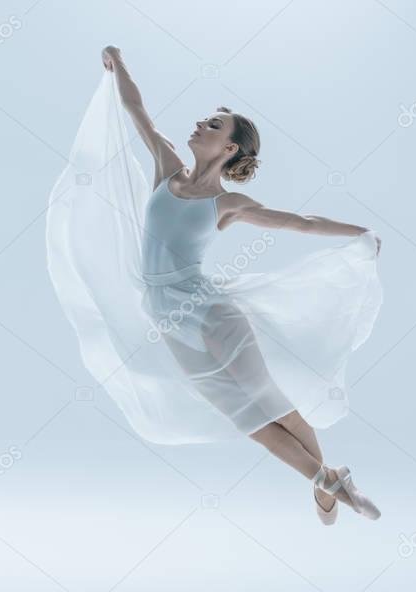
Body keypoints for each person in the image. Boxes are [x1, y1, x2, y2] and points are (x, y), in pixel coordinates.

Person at [45, 45, 385, 524]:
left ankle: (330, 486)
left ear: (229, 149)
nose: (200, 124)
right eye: (205, 119)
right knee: (245, 417)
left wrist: (360, 234)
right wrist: (119, 64)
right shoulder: (167, 170)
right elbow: (135, 109)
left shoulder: (228, 204)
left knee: (268, 405)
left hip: (209, 312)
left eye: (213, 125)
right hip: (168, 319)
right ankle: (329, 482)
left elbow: (301, 223)